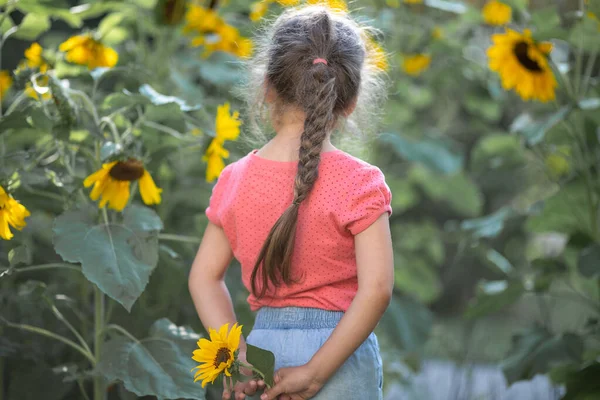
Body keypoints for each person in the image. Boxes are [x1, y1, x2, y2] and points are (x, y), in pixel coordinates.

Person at [188, 4, 394, 400]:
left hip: (262, 360)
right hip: (340, 357)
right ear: (348, 102)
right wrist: (317, 373)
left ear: (267, 87)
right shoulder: (360, 182)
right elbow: (378, 288)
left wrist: (237, 356)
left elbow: (203, 277)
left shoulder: (234, 179)